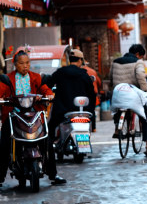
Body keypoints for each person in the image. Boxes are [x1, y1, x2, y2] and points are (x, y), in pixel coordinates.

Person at [0, 50, 63, 185]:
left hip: (34, 115)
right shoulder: (8, 78)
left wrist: (49, 95)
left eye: (27, 63)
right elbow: (1, 91)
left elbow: (45, 89)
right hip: (13, 115)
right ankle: (0, 177)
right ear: (15, 64)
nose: (25, 66)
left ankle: (53, 175)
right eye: (22, 63)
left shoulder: (36, 77)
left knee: (47, 141)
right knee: (4, 143)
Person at [47, 49, 96, 179]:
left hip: (62, 111)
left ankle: (49, 149)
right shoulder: (84, 75)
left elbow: (48, 83)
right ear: (80, 61)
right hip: (81, 112)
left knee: (50, 130)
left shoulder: (60, 73)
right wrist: (91, 114)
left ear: (70, 60)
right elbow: (92, 94)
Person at [110, 44, 147, 157]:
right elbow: (140, 76)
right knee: (145, 117)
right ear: (138, 54)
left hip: (118, 91)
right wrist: (144, 90)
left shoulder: (116, 61)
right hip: (132, 93)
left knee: (117, 107)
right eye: (141, 57)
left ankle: (117, 127)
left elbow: (111, 77)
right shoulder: (137, 62)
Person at [80, 56, 102, 132]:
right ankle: (94, 128)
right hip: (92, 93)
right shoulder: (93, 71)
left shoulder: (79, 71)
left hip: (82, 93)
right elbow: (99, 82)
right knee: (91, 110)